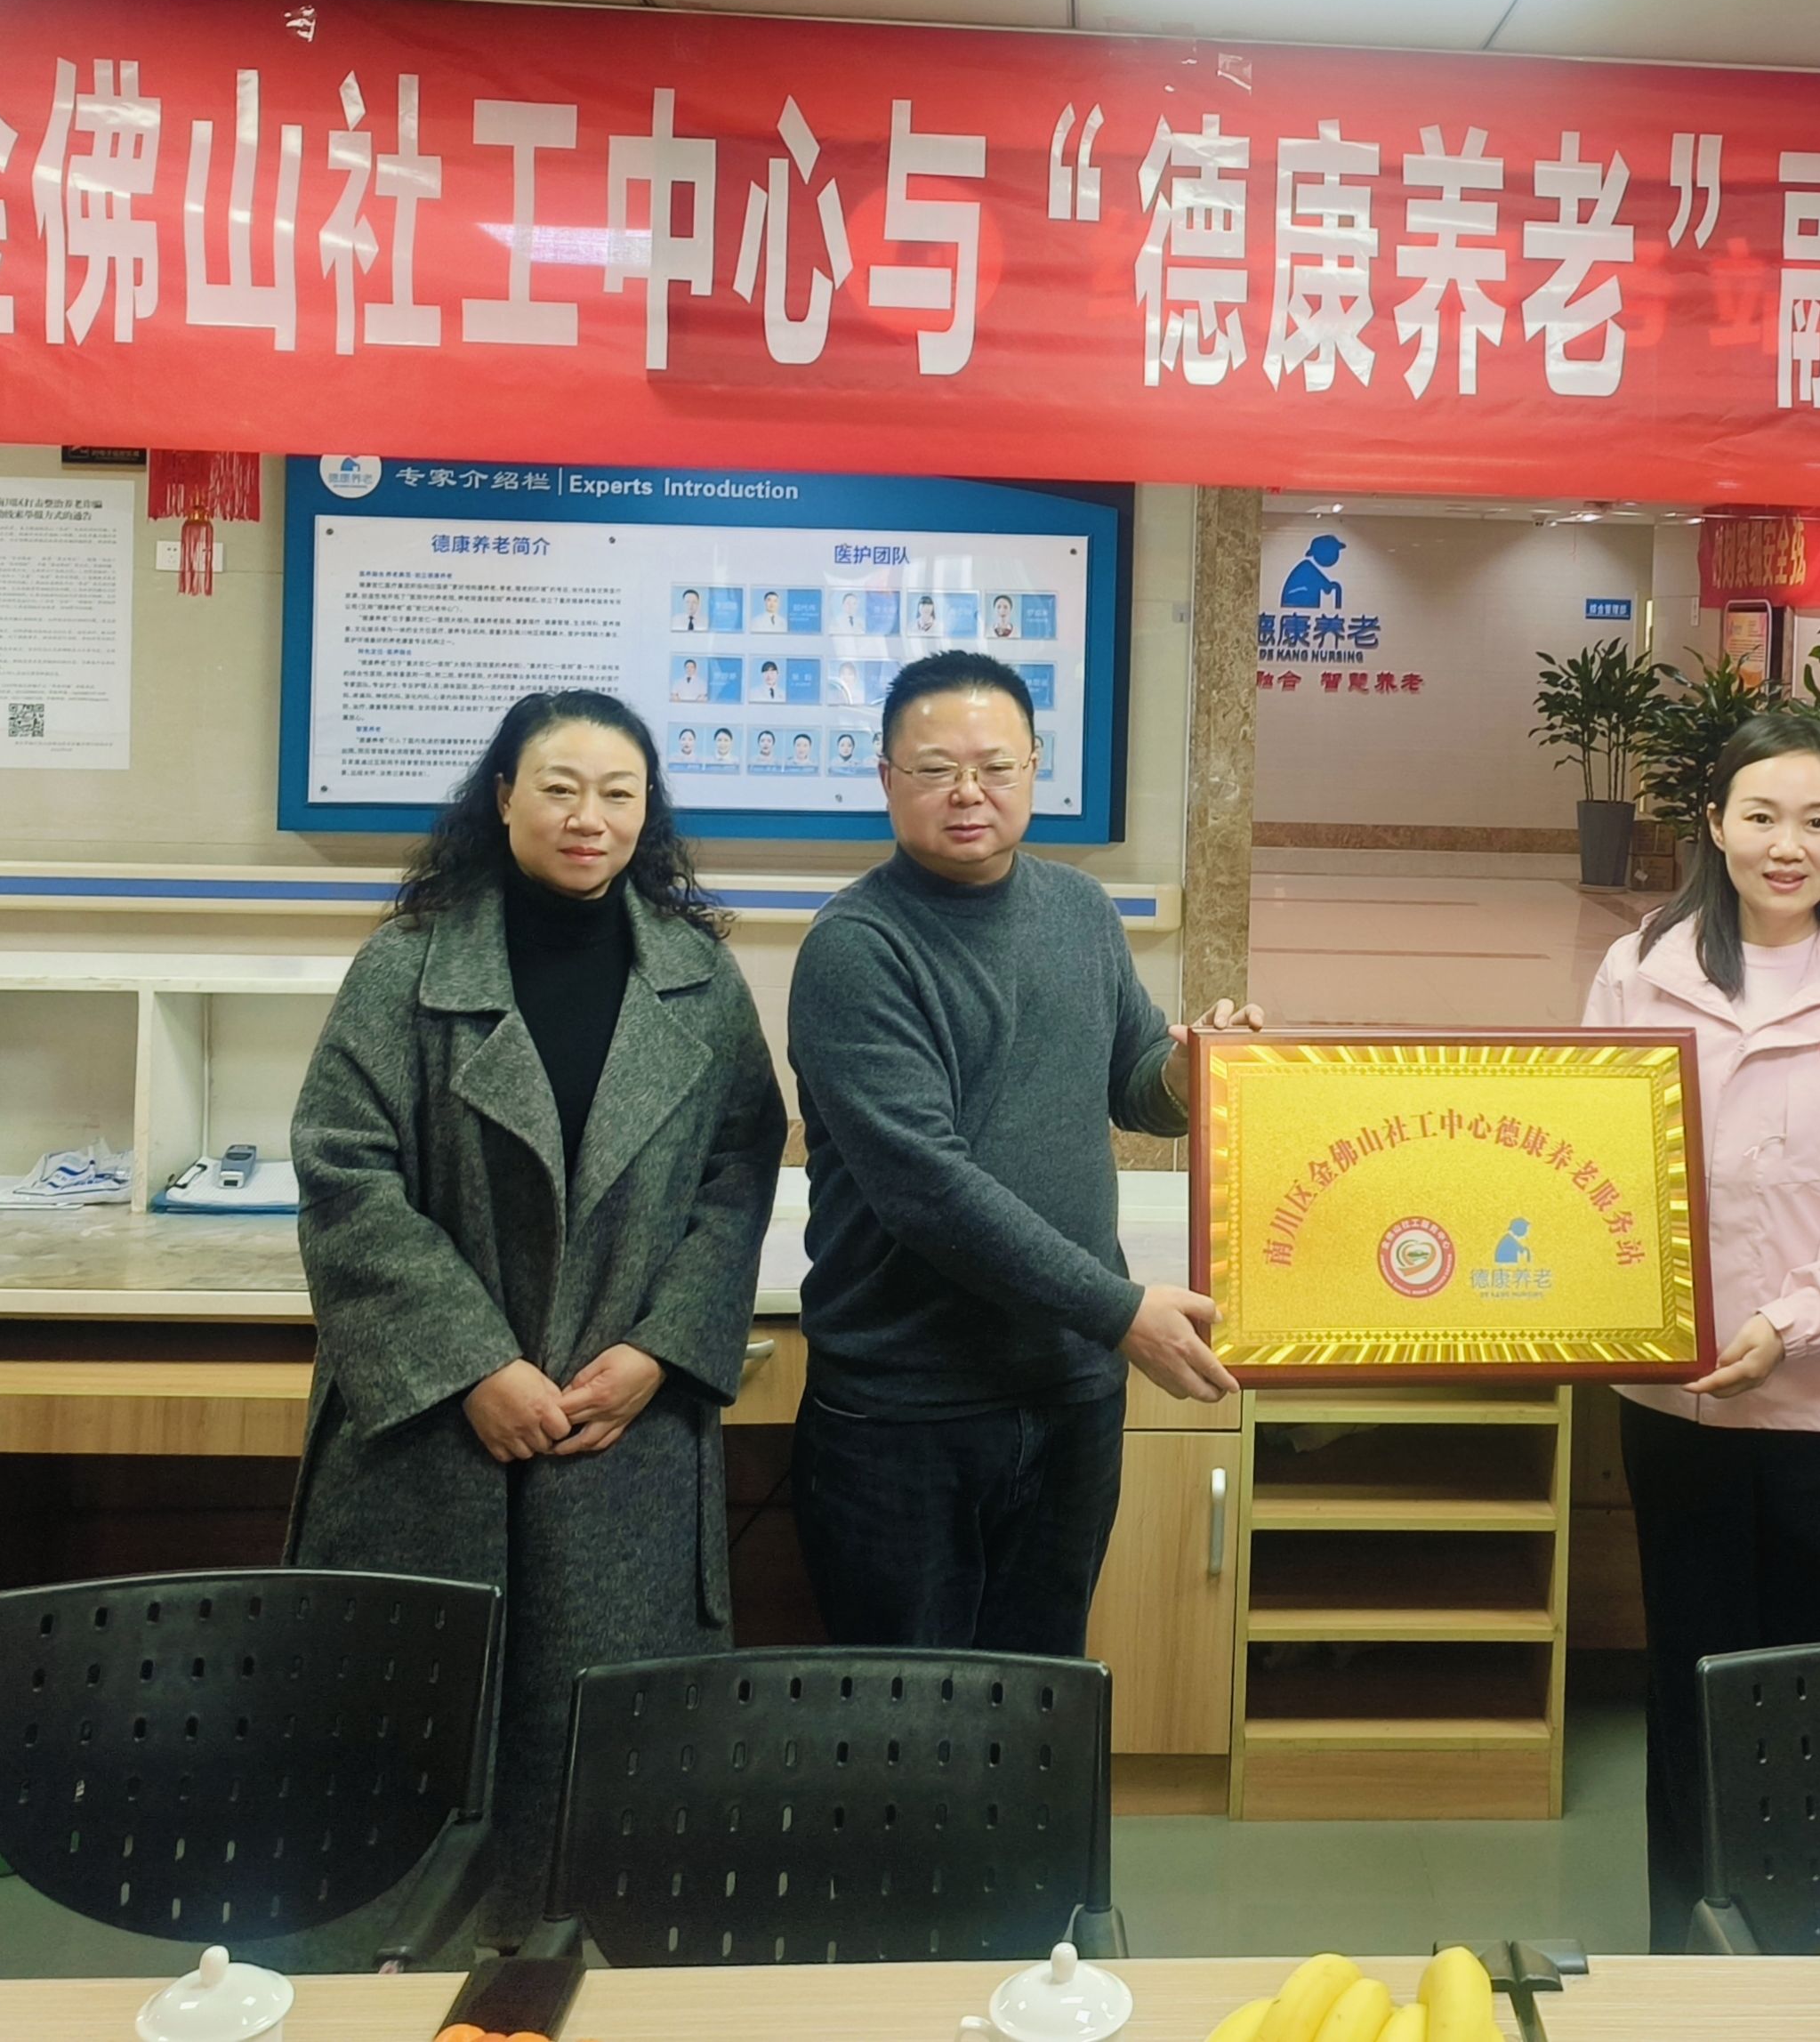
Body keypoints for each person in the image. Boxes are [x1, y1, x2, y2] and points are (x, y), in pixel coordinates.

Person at [286, 689, 785, 1936]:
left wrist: (660, 1350)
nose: (588, 817)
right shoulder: (407, 966)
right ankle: (391, 1977)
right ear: (503, 795)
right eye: (559, 787)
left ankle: (576, 1972)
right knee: (412, 1739)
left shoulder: (698, 977)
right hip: (433, 1435)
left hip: (621, 1431)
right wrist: (473, 1364)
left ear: (647, 812)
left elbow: (740, 1174)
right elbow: (344, 1172)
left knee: (607, 1758)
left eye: (619, 793)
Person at [1582, 711, 1820, 1954]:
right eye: (1759, 815)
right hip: (1679, 1399)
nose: (1784, 844)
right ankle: (1685, 1957)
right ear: (1713, 823)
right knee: (1689, 1683)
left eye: (1815, 819)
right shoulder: (1639, 968)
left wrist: (1789, 1324)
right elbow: (1586, 1157)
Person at [788, 650, 1260, 1652]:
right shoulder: (857, 948)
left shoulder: (1079, 910)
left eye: (996, 767)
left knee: (1040, 1690)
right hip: (907, 1407)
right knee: (904, 1709)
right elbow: (927, 1188)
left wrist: (1191, 1073)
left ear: (1034, 768)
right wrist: (1118, 1311)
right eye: (935, 770)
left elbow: (1134, 1083)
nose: (969, 793)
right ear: (886, 778)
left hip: (1069, 1389)